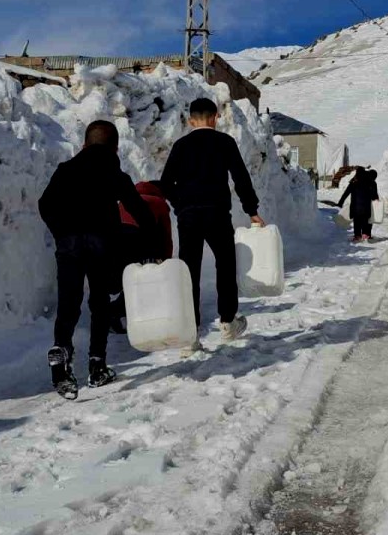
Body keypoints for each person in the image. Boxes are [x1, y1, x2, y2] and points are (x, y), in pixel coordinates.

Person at [39, 120, 160, 400]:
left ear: (84, 144)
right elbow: (140, 211)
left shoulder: (65, 170)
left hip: (68, 243)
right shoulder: (114, 173)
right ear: (115, 149)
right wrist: (152, 245)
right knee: (99, 302)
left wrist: (61, 231)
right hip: (101, 243)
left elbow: (45, 204)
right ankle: (97, 364)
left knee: (69, 301)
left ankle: (61, 348)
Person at [160, 98, 264, 351]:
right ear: (216, 117)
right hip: (217, 214)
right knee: (225, 265)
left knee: (189, 272)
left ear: (190, 120)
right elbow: (241, 177)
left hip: (188, 217)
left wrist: (180, 204)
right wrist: (252, 211)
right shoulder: (224, 142)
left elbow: (165, 184)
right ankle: (228, 322)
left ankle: (190, 335)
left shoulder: (181, 146)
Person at [108, 180, 173, 334]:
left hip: (114, 244)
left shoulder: (123, 201)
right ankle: (117, 312)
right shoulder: (159, 202)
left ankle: (108, 313)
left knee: (126, 280)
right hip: (138, 242)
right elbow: (165, 237)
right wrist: (165, 265)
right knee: (143, 279)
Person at [337, 167, 378, 242]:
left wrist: (340, 203)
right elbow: (374, 196)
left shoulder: (354, 181)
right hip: (366, 207)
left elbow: (346, 193)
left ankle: (357, 235)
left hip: (355, 206)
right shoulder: (371, 182)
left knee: (357, 220)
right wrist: (376, 201)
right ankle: (366, 234)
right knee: (366, 220)